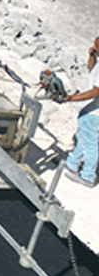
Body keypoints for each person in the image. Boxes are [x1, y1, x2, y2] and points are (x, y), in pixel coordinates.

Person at [62, 37, 99, 188]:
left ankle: (88, 176)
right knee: (82, 136)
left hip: (95, 113)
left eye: (96, 45)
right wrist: (92, 56)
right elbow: (92, 70)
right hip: (91, 111)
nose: (94, 47)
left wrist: (71, 98)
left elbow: (95, 92)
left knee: (90, 144)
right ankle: (72, 164)